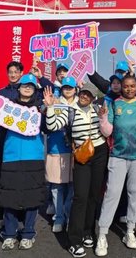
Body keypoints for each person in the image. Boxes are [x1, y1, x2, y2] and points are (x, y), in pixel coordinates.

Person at [44, 84, 108, 258]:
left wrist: (103, 117)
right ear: (80, 94)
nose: (85, 97)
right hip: (82, 155)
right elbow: (52, 126)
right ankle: (74, 240)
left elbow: (106, 131)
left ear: (93, 97)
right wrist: (50, 107)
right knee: (80, 196)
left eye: (89, 95)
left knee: (94, 195)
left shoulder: (97, 109)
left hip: (100, 152)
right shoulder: (70, 111)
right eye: (83, 93)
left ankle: (88, 231)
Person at [94, 76, 136, 256]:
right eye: (126, 86)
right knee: (112, 194)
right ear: (121, 88)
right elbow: (107, 131)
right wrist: (102, 118)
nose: (129, 89)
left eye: (132, 86)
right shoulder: (114, 104)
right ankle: (102, 234)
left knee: (134, 194)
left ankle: (130, 231)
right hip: (117, 156)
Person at [0, 74, 46, 251]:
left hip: (33, 155)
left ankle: (28, 233)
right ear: (18, 88)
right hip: (11, 156)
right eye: (24, 85)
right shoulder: (8, 107)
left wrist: (49, 109)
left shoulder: (40, 109)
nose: (27, 88)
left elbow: (48, 128)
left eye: (31, 86)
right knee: (9, 196)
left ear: (35, 90)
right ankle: (9, 234)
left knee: (32, 196)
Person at [0, 60, 23, 231]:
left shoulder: (27, 92)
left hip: (20, 143)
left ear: (21, 73)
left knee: (20, 179)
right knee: (1, 178)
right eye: (10, 72)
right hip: (1, 142)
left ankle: (20, 216)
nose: (13, 74)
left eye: (16, 72)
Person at [46, 76, 77, 233]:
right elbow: (48, 124)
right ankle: (59, 217)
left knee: (73, 186)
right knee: (57, 186)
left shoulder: (81, 103)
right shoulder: (55, 102)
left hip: (76, 151)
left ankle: (69, 214)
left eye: (71, 87)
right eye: (65, 87)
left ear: (75, 89)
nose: (68, 90)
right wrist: (49, 106)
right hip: (56, 149)